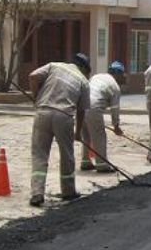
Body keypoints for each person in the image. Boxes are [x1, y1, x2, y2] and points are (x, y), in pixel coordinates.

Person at [28, 53, 91, 207]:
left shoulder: (54, 65)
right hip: (64, 116)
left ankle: (37, 192)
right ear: (83, 67)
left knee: (39, 154)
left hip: (43, 112)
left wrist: (36, 97)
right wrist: (77, 133)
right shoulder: (83, 81)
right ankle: (68, 191)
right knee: (67, 154)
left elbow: (33, 76)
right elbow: (82, 110)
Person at [80, 61, 125, 172]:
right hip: (94, 107)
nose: (123, 77)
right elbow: (115, 109)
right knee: (99, 136)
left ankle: (85, 162)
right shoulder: (115, 86)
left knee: (87, 136)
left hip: (81, 106)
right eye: (122, 74)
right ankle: (102, 165)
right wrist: (116, 126)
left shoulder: (97, 76)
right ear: (118, 74)